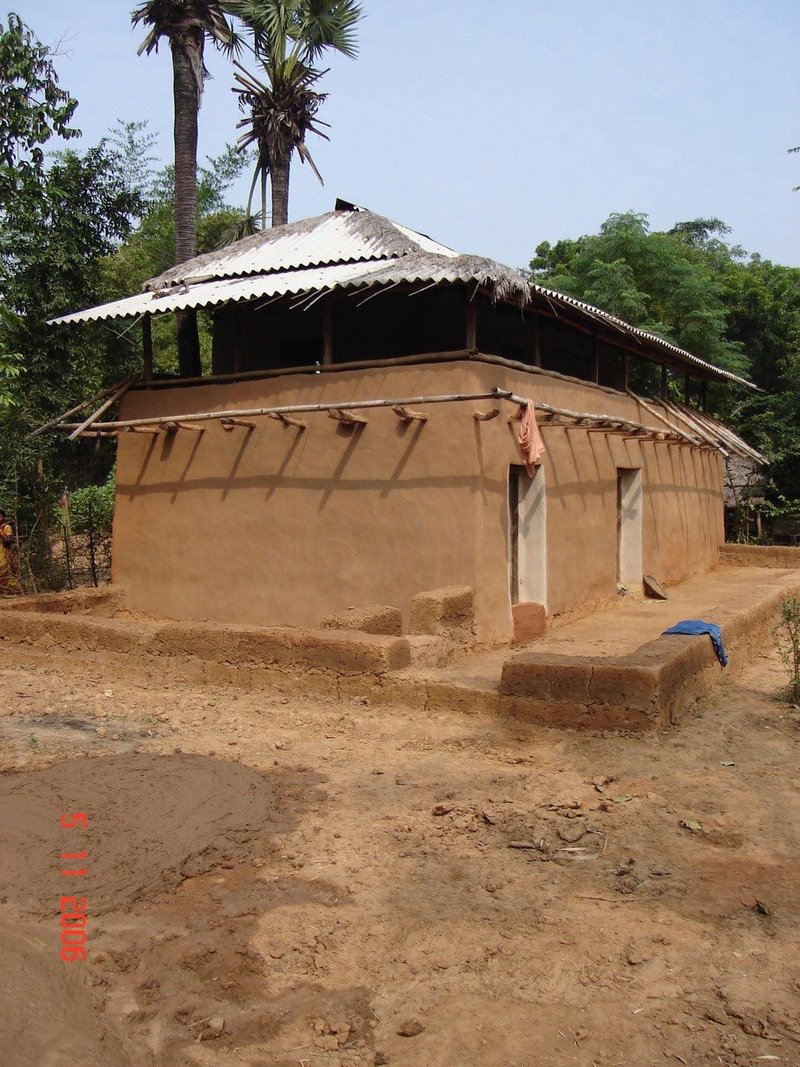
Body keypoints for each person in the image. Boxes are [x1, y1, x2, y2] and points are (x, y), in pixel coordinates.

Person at [0, 508, 22, 596]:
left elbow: (9, 541)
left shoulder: (6, 527)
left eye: (0, 516)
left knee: (6, 575)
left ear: (3, 517)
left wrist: (1, 534)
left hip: (4, 555)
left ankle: (18, 592)